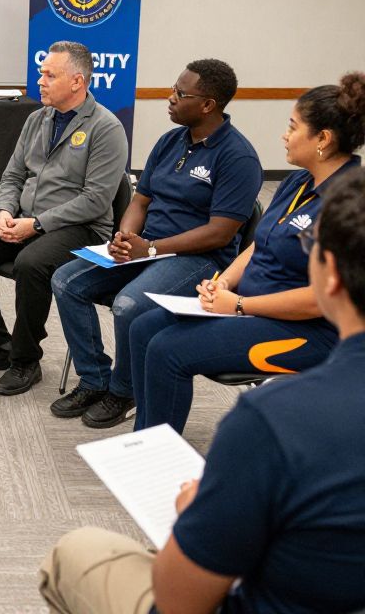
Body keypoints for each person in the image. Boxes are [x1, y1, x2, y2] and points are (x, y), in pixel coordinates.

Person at [38, 166, 365, 614]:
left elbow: (178, 600)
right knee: (150, 326)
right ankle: (142, 433)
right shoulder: (295, 183)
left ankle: (150, 460)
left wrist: (195, 515)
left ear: (329, 276)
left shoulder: (270, 419)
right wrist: (228, 286)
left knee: (73, 553)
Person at [127, 73, 365, 434]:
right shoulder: (298, 181)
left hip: (309, 330)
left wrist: (238, 305)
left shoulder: (349, 200)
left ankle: (156, 452)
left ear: (323, 140)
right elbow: (258, 245)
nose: (284, 135)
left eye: (293, 126)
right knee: (144, 327)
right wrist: (219, 284)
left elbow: (321, 299)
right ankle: (147, 442)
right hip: (246, 305)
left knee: (168, 351)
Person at [49, 59, 262, 428]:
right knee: (67, 281)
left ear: (208, 104)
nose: (170, 97)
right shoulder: (170, 141)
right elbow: (140, 201)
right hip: (147, 248)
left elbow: (221, 233)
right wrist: (126, 236)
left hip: (199, 258)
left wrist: (149, 249)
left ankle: (124, 390)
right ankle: (95, 378)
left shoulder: (237, 156)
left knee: (130, 305)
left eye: (180, 93)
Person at [0, 41, 128, 396]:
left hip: (81, 228)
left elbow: (95, 200)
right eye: (41, 73)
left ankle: (26, 359)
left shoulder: (106, 128)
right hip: (26, 219)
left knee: (31, 264)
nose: (40, 80)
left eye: (49, 74)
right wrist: (3, 212)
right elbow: (13, 175)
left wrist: (37, 224)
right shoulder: (36, 118)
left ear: (77, 82)